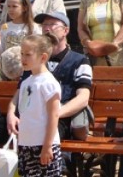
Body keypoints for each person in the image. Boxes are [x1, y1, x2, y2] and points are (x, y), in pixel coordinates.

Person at [7, 34, 64, 177]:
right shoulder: (26, 82)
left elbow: (53, 116)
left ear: (43, 57)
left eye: (28, 54)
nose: (23, 58)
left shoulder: (48, 83)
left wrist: (48, 146)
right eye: (22, 53)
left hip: (46, 144)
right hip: (27, 143)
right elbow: (23, 109)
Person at [34, 11, 92, 141]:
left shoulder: (80, 61)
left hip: (63, 118)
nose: (47, 28)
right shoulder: (35, 59)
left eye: (52, 24)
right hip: (34, 117)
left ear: (65, 31)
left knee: (41, 136)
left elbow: (83, 98)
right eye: (44, 25)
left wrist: (56, 114)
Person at [0, 0, 41, 64]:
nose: (10, 9)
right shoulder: (5, 27)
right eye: (9, 6)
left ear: (24, 8)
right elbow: (0, 54)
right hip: (9, 67)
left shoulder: (34, 27)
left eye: (14, 6)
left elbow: (39, 50)